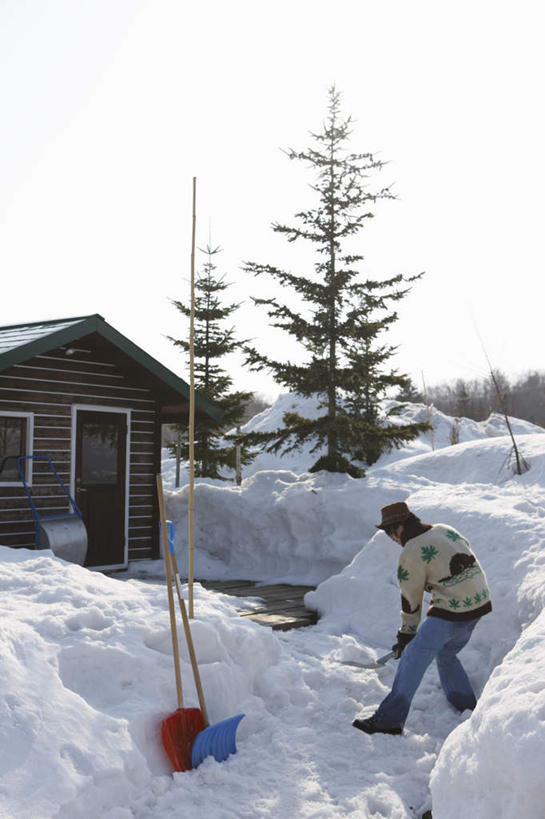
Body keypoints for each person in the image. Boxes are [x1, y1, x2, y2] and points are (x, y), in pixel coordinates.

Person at [353, 501, 492, 736]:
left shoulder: (412, 550)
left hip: (453, 609)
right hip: (478, 603)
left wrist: (406, 635)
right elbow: (464, 554)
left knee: (412, 658)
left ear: (399, 527)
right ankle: (466, 705)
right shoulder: (444, 529)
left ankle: (389, 720)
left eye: (390, 532)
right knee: (446, 653)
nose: (392, 538)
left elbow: (411, 598)